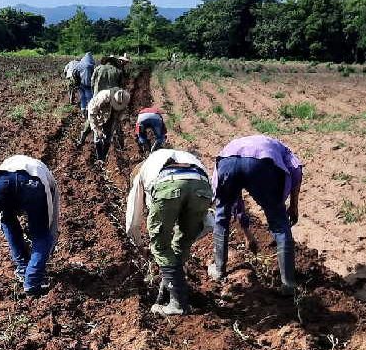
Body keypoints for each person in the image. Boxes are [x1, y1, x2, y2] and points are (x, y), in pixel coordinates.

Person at [209, 135, 303, 296]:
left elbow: (234, 200)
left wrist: (245, 228)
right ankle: (288, 284)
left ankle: (219, 271)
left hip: (227, 162)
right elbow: (296, 171)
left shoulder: (233, 145)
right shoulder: (282, 148)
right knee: (279, 223)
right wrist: (293, 206)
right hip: (261, 163)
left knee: (221, 217)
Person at [126, 149, 213, 315]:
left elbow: (133, 221)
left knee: (160, 246)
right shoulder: (185, 157)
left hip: (168, 184)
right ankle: (171, 289)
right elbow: (207, 224)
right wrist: (183, 245)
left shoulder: (142, 174)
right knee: (181, 245)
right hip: (201, 185)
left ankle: (178, 303)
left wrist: (141, 247)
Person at [0, 155, 60, 297]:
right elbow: (51, 222)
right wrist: (48, 244)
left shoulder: (12, 162)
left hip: (1, 180)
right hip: (31, 183)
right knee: (41, 234)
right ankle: (33, 282)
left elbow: (0, 215)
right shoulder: (49, 182)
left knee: (8, 221)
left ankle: (23, 268)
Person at [79, 87, 130, 161]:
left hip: (112, 116)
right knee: (98, 136)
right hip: (99, 115)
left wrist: (116, 124)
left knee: (108, 136)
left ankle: (103, 158)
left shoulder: (125, 98)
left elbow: (121, 114)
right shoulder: (102, 97)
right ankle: (99, 158)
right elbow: (92, 113)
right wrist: (97, 129)